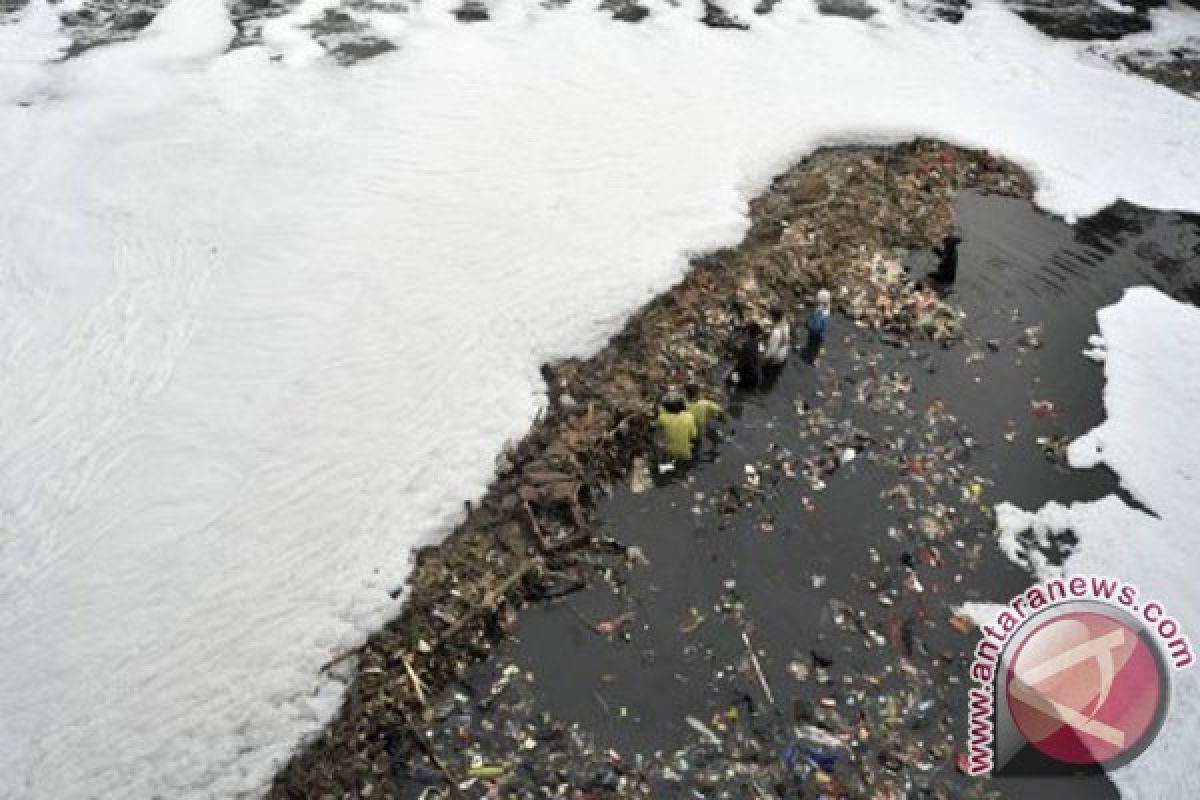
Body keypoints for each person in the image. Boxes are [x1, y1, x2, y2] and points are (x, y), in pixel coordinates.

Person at [656, 391, 698, 463]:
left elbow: (658, 427)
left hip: (669, 452)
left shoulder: (662, 417)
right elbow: (694, 435)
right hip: (685, 453)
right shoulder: (689, 416)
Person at [685, 383, 725, 456]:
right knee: (707, 437)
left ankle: (694, 455)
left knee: (695, 444)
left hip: (691, 430)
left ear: (687, 395)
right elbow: (720, 410)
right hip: (703, 427)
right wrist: (722, 419)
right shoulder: (704, 403)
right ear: (698, 393)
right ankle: (712, 448)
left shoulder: (686, 405)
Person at [730, 322, 764, 391]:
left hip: (749, 377)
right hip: (756, 375)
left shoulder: (747, 346)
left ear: (748, 332)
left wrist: (731, 379)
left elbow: (741, 365)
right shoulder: (756, 343)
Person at [803, 289, 832, 364]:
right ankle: (810, 356)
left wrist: (808, 325)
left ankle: (809, 359)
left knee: (812, 346)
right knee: (812, 345)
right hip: (817, 334)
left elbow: (817, 328)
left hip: (817, 335)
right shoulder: (824, 309)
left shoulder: (822, 314)